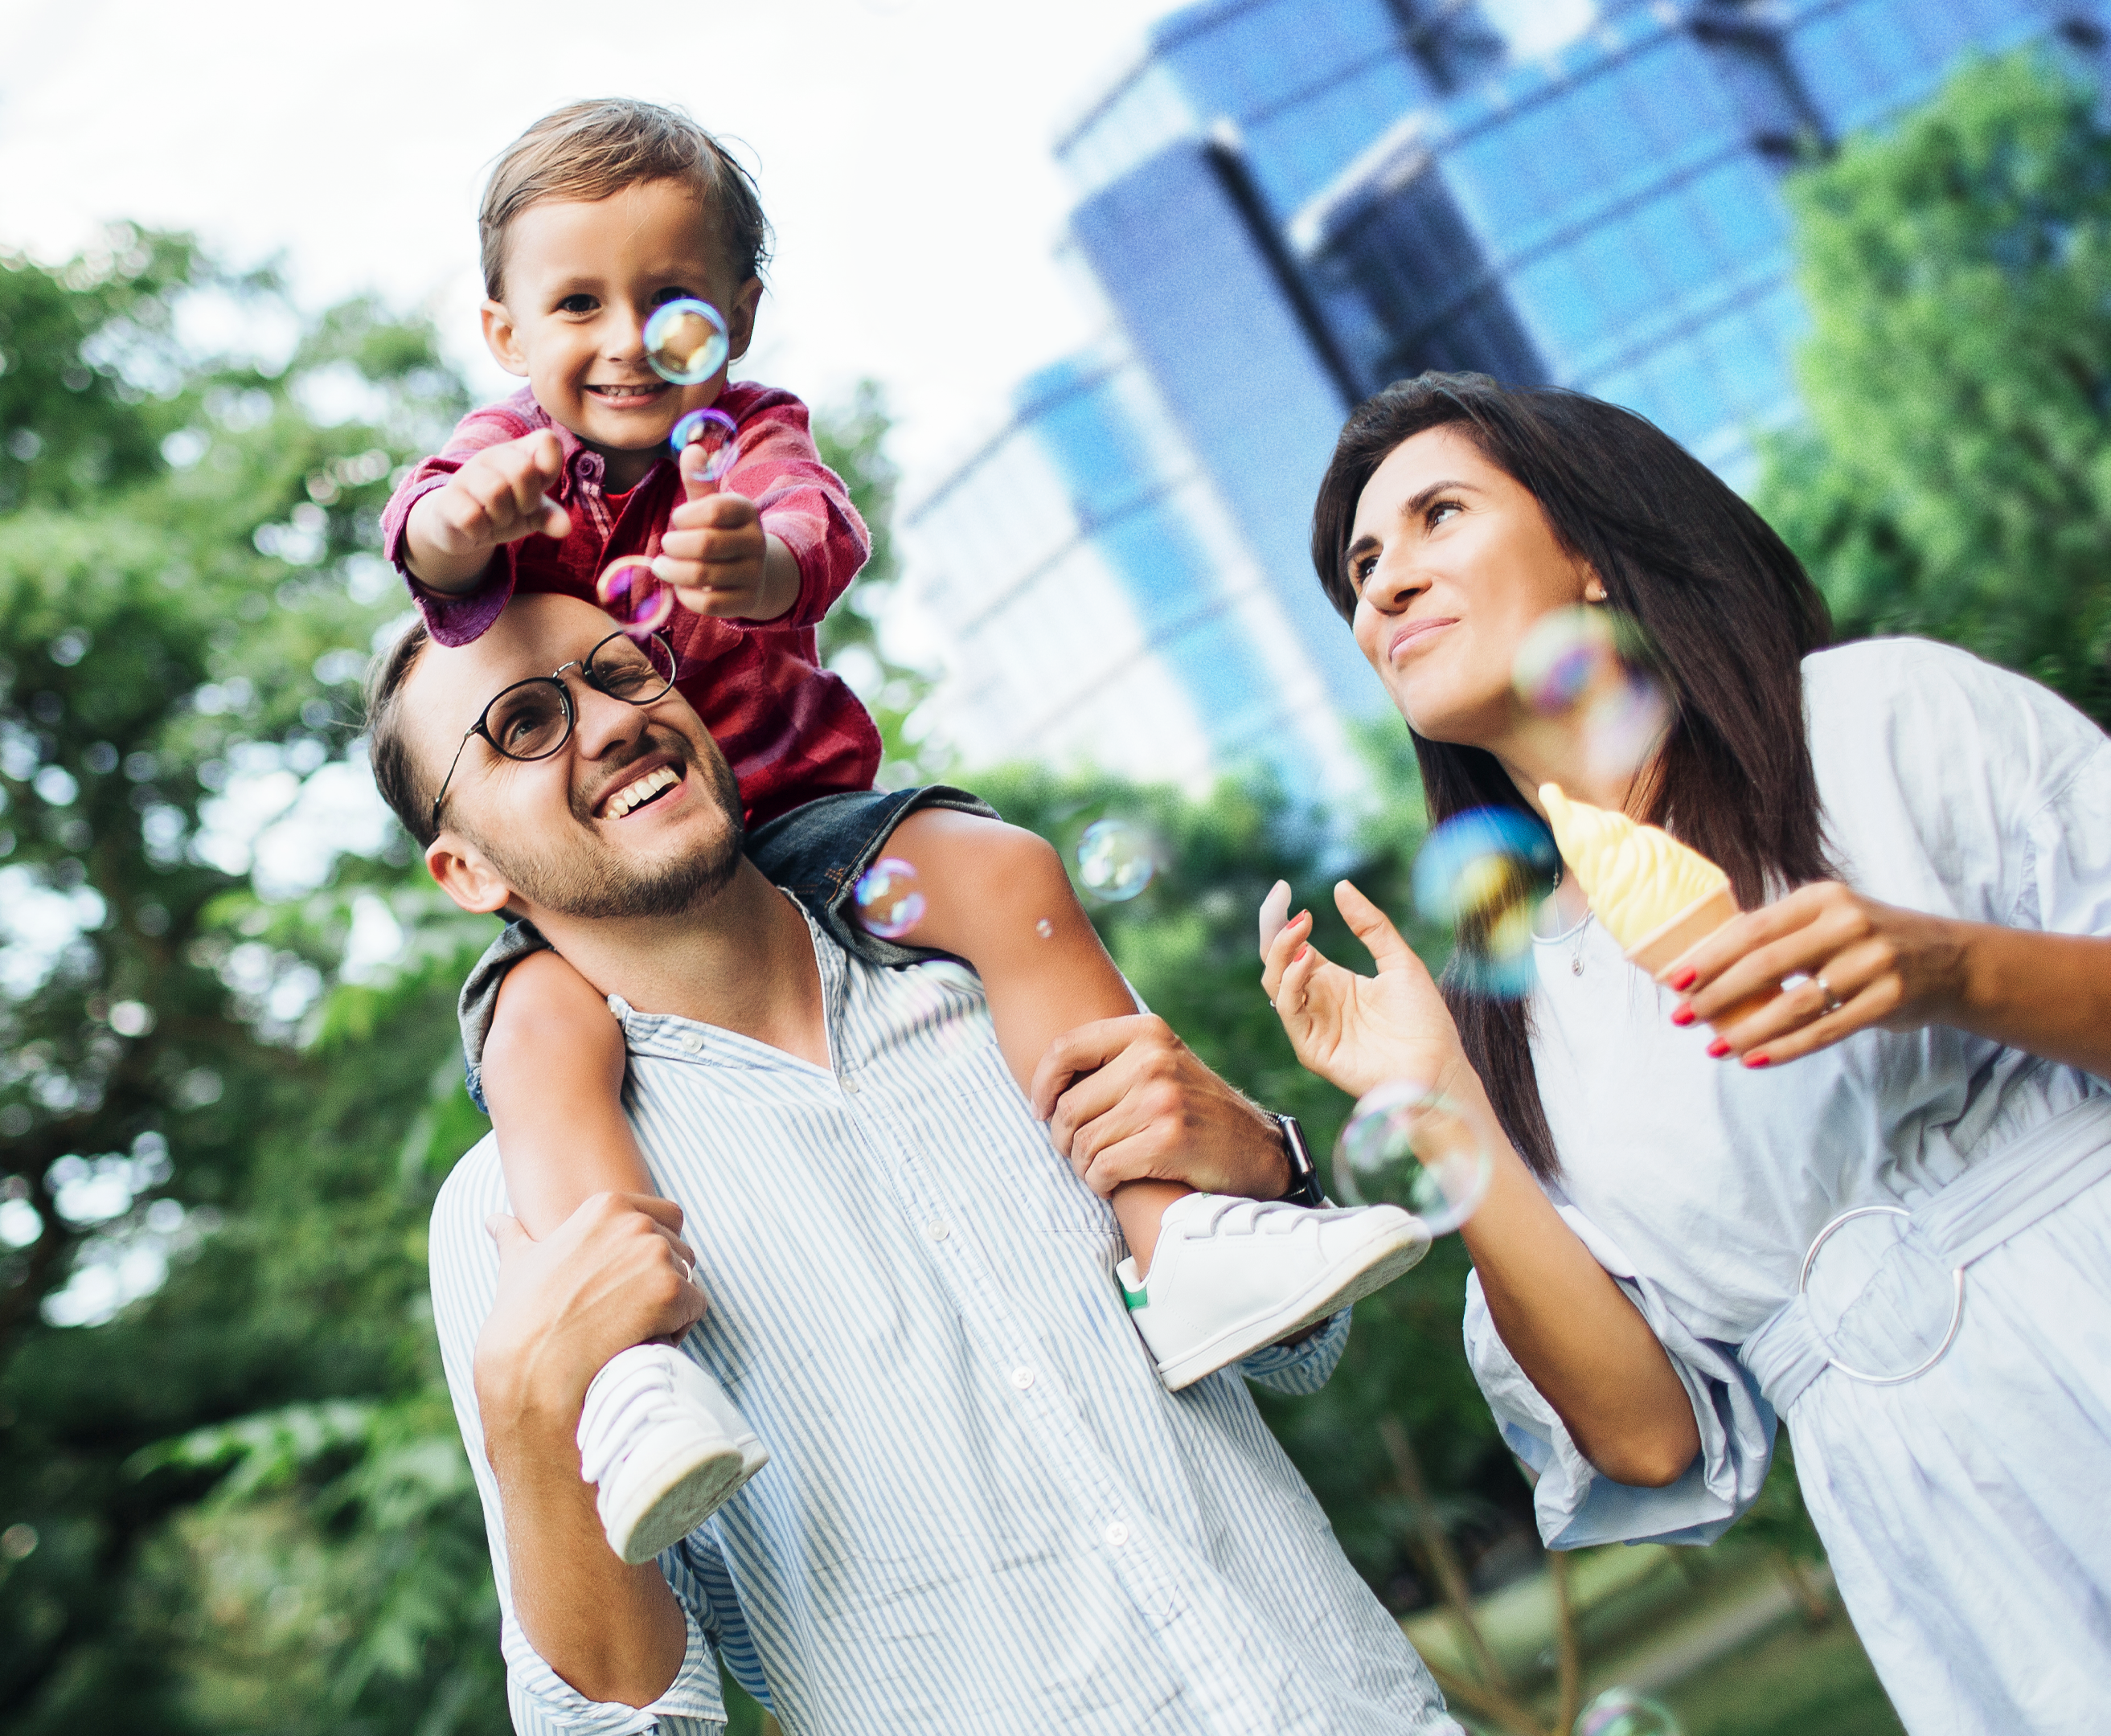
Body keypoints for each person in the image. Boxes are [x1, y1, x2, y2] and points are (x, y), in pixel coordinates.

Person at [381, 95, 1425, 1564]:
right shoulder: (495, 462)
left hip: (806, 823)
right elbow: (423, 541)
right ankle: (634, 1386)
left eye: (669, 302)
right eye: (575, 303)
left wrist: (756, 565)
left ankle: (1174, 1235)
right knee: (539, 1033)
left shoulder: (744, 441)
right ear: (503, 335)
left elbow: (819, 539)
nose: (623, 339)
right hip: (623, 896)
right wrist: (460, 524)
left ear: (738, 314)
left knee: (1000, 864)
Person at [1261, 372, 2111, 1734]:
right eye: (1361, 566)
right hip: (1951, 1540)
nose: (1384, 587)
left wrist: (1952, 968)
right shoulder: (1511, 1019)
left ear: (1587, 550)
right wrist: (1436, 1099)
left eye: (1435, 517)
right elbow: (1649, 1436)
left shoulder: (1868, 723)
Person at [367, 588, 1457, 1734]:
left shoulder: (1005, 990)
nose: (609, 720)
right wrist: (530, 1427)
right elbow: (624, 1730)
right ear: (468, 873)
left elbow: (1298, 1352)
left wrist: (1263, 1167)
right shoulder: (518, 1213)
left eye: (623, 670)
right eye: (524, 724)